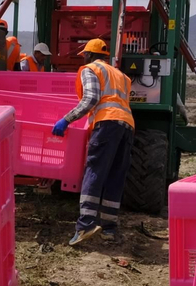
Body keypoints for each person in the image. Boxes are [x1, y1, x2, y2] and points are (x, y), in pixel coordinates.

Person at [51, 38, 134, 246]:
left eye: (85, 55)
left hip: (107, 123)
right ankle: (109, 227)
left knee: (95, 170)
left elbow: (90, 99)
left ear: (89, 54)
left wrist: (66, 120)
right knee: (115, 174)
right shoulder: (121, 75)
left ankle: (86, 224)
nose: (84, 58)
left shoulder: (90, 69)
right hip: (127, 125)